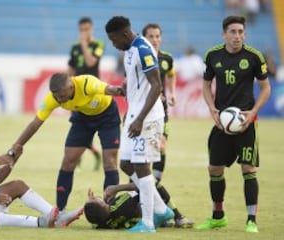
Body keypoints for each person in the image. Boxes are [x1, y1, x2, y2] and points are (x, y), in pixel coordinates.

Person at [0, 73, 125, 224]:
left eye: (62, 96)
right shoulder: (53, 98)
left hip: (107, 116)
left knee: (109, 162)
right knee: (68, 161)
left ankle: (109, 212)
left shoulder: (87, 83)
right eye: (56, 97)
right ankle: (60, 213)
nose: (59, 100)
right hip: (82, 119)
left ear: (71, 87)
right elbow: (35, 123)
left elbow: (110, 89)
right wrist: (14, 149)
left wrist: (127, 90)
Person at [196, 16, 271, 233]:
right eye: (233, 32)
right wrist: (212, 109)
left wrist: (254, 112)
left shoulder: (254, 57)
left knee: (248, 168)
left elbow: (265, 88)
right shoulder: (213, 55)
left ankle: (251, 220)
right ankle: (218, 216)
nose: (237, 36)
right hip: (222, 123)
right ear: (224, 34)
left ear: (245, 34)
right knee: (214, 168)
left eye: (240, 32)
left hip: (246, 123)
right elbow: (206, 84)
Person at [105, 16, 174, 233]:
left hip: (148, 118)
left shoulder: (143, 49)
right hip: (134, 115)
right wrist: (128, 91)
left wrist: (140, 118)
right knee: (126, 163)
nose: (112, 44)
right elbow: (138, 81)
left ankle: (147, 223)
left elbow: (156, 86)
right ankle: (162, 209)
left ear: (124, 34)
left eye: (113, 39)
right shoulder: (129, 50)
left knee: (142, 165)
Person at [142, 23, 193, 228]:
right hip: (143, 116)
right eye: (151, 36)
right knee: (143, 175)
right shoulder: (139, 57)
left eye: (157, 36)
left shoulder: (166, 59)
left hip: (162, 115)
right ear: (144, 38)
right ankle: (171, 214)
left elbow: (171, 74)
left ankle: (166, 214)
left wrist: (169, 92)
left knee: (154, 170)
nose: (155, 40)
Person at [68, 16, 105, 171]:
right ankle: (81, 158)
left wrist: (84, 44)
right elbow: (71, 68)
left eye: (87, 29)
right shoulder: (74, 48)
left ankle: (93, 153)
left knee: (90, 126)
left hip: (93, 93)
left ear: (92, 29)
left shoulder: (98, 44)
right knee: (78, 125)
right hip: (76, 93)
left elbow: (91, 62)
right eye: (82, 30)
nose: (84, 32)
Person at [84, 182, 180, 229]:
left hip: (134, 217)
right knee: (153, 182)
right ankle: (179, 217)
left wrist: (98, 203)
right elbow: (144, 186)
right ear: (103, 206)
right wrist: (116, 188)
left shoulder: (100, 223)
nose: (95, 196)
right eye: (94, 199)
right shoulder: (123, 203)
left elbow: (95, 219)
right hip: (152, 216)